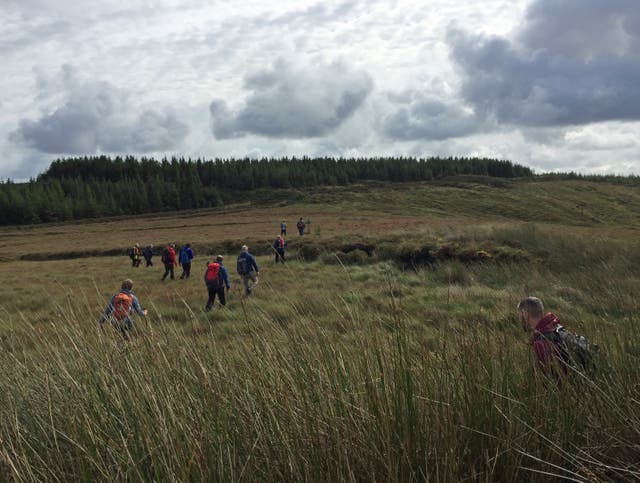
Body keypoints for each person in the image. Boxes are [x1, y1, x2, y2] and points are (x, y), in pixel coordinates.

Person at [517, 297, 568, 379]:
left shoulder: (541, 343)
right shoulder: (556, 328)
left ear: (525, 314)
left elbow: (547, 382)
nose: (519, 320)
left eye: (519, 316)